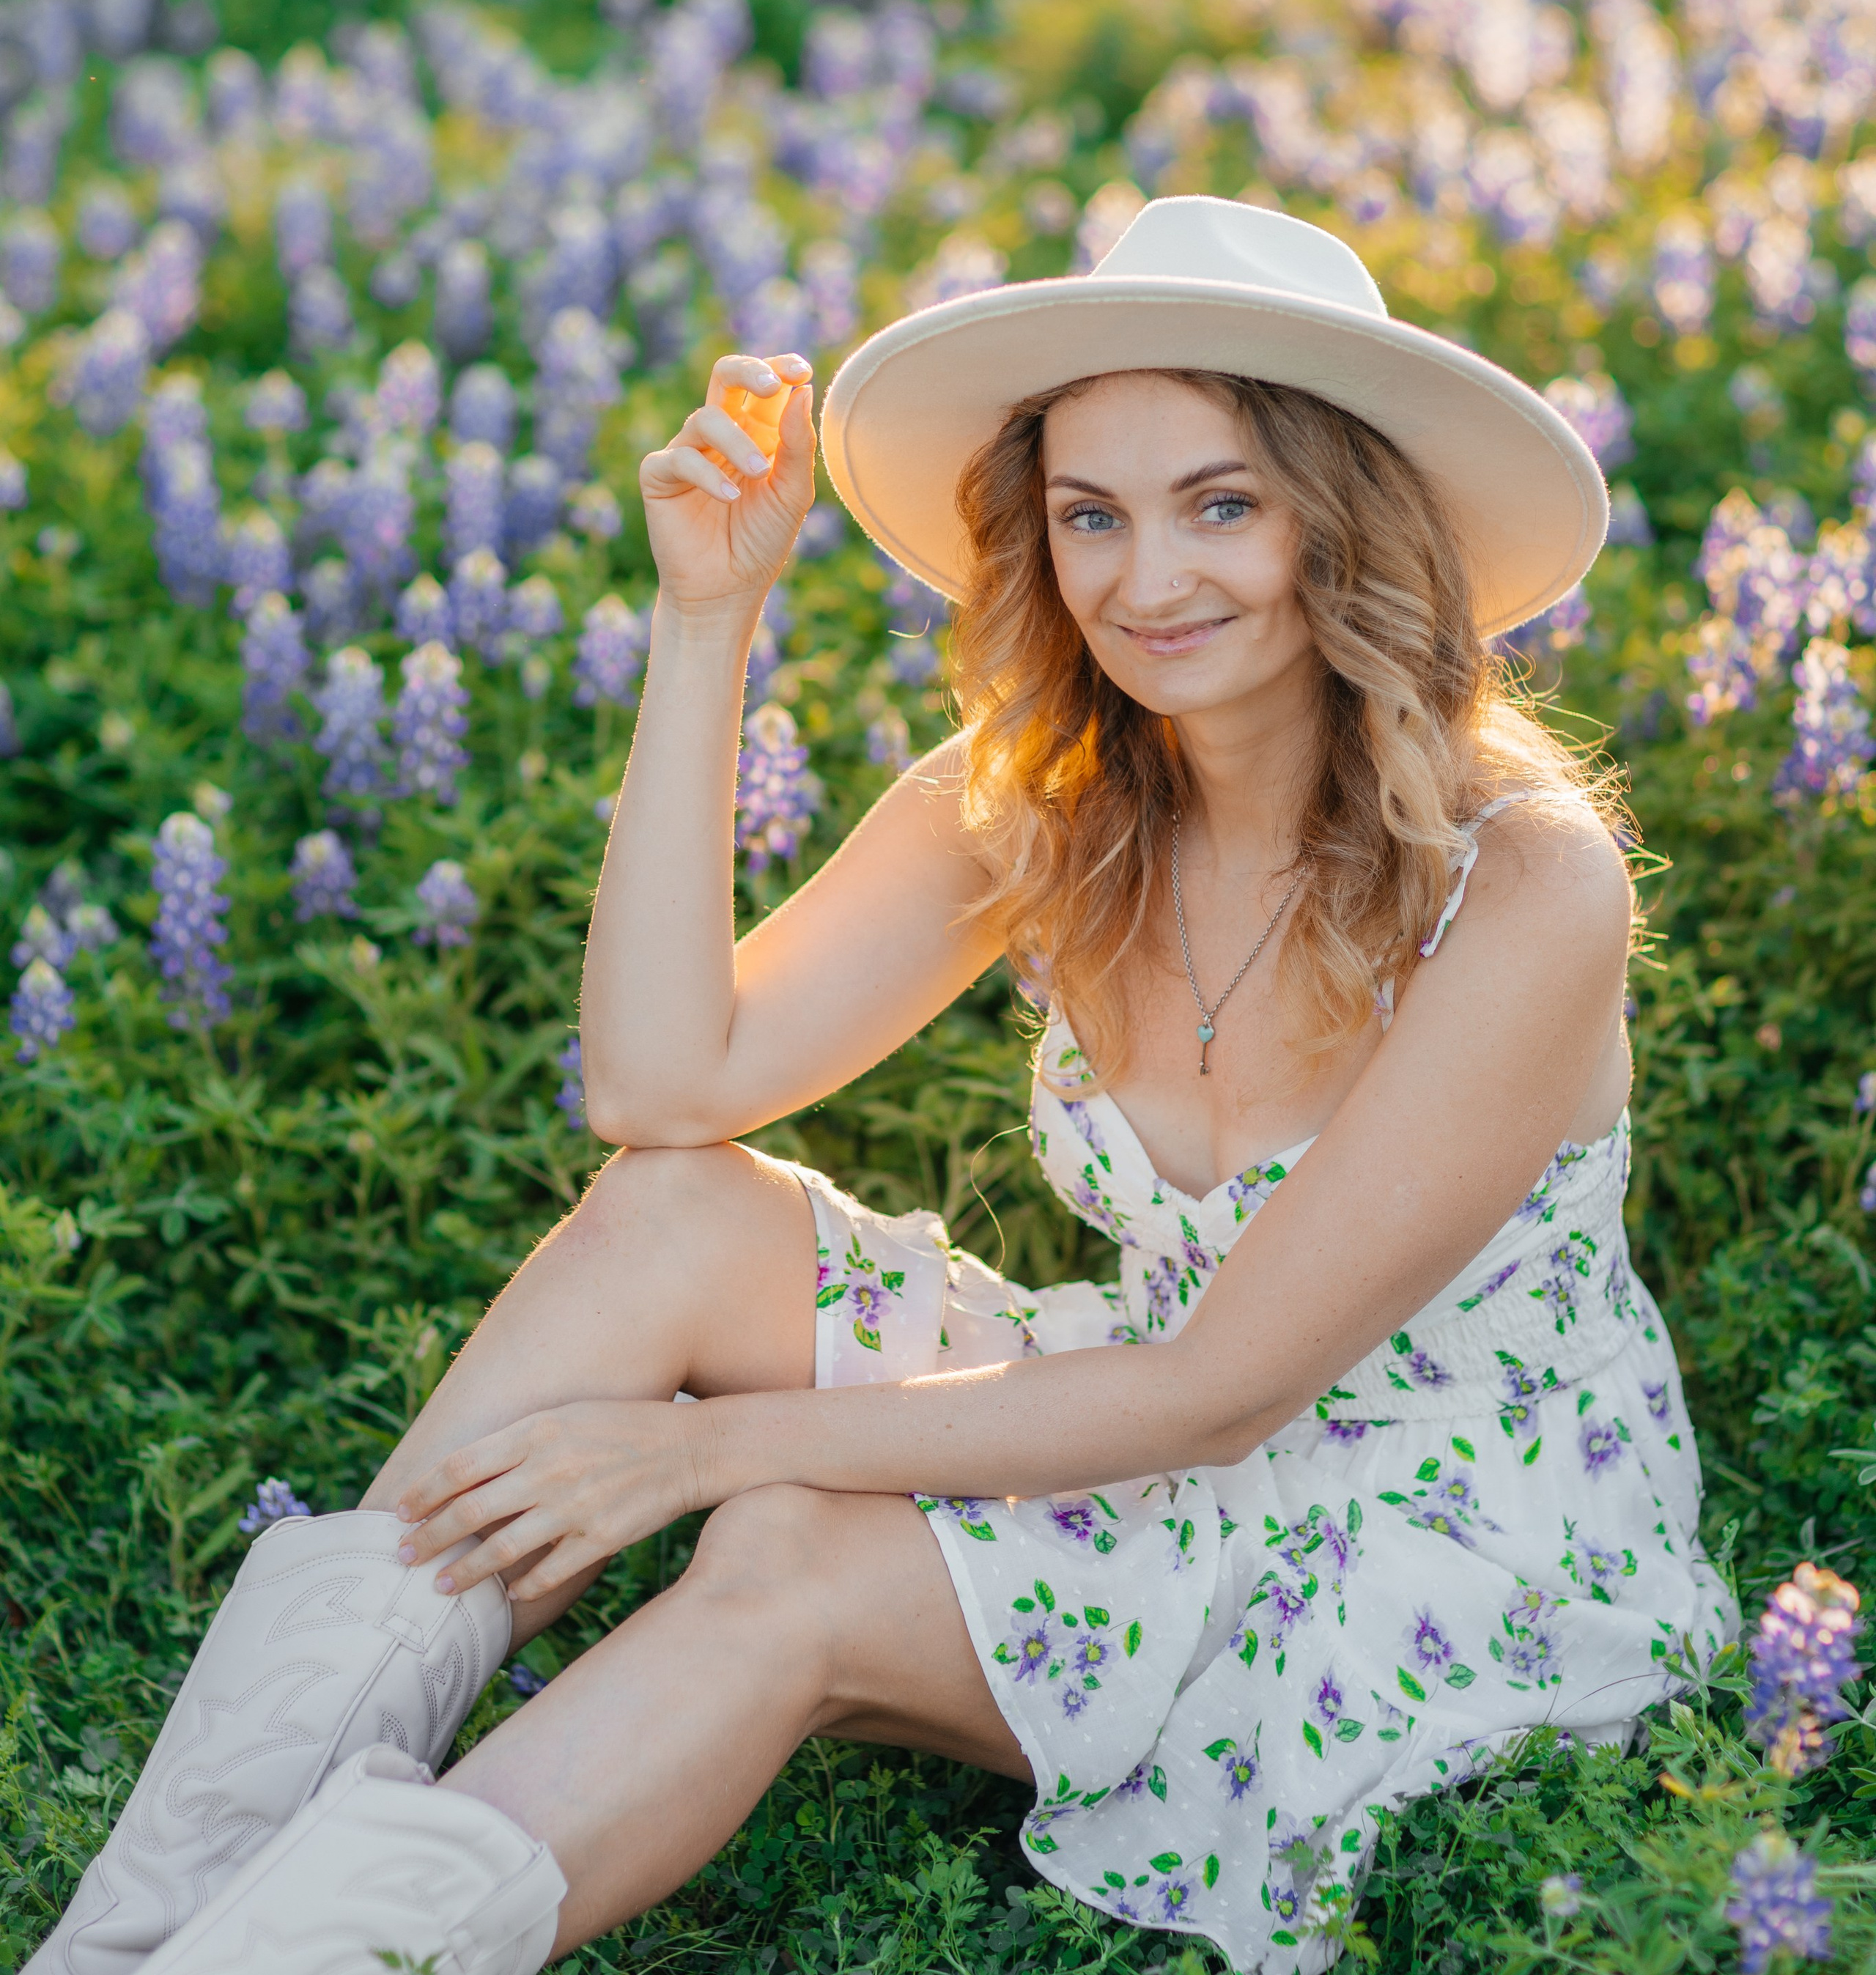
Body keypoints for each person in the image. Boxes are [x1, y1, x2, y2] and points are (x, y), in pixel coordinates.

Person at [31, 198, 1735, 1975]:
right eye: (1091, 514)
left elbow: (1223, 1389)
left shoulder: (1522, 878)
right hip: (1144, 1409)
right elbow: (657, 1081)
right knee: (671, 1213)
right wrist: (708, 616)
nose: (1146, 580)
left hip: (1430, 1529)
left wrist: (696, 1449)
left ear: (1347, 520)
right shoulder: (1046, 795)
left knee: (785, 1551)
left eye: (1219, 501)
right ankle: (127, 1940)